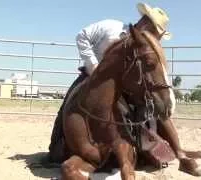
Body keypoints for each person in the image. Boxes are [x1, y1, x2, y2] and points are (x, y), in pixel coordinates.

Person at [48, 2, 172, 163]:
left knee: (143, 105)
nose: (155, 38)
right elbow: (82, 35)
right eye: (155, 33)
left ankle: (146, 148)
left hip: (123, 83)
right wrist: (94, 67)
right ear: (146, 23)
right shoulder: (110, 27)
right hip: (91, 75)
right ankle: (56, 147)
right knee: (69, 104)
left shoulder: (145, 46)